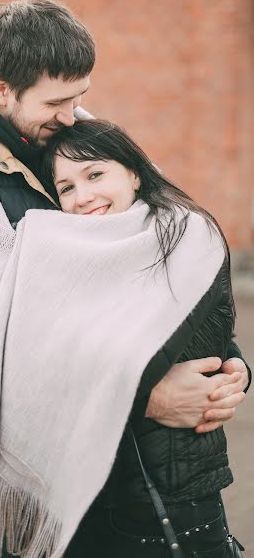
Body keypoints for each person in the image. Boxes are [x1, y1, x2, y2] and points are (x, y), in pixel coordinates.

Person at [0, 0, 249, 558]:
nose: (72, 114)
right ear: (0, 90)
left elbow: (156, 259)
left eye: (80, 97)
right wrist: (145, 396)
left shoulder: (73, 144)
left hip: (91, 470)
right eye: (58, 101)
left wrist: (225, 362)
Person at [36, 118, 248, 556]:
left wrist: (236, 371)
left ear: (133, 172)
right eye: (66, 188)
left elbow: (209, 338)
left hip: (178, 485)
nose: (84, 196)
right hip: (91, 486)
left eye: (95, 174)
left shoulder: (186, 238)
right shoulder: (64, 259)